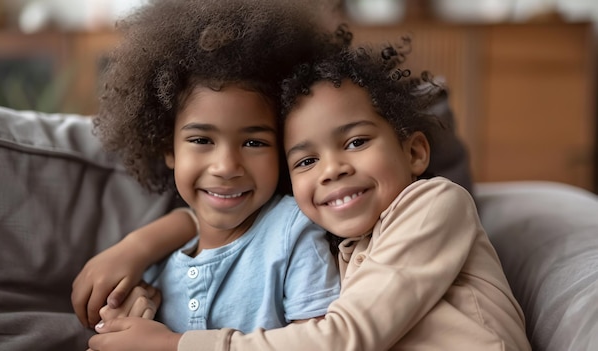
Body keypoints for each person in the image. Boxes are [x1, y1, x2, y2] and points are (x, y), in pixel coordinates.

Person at [90, 41, 532, 351]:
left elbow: (342, 338)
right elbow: (221, 219)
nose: (332, 169)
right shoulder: (336, 234)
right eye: (305, 161)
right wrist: (141, 251)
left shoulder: (434, 205)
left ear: (415, 151)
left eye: (356, 142)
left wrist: (176, 346)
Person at [71, 0, 353, 345]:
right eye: (202, 139)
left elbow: (319, 342)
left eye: (254, 143)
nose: (226, 167)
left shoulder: (292, 233)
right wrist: (123, 321)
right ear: (168, 147)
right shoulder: (156, 270)